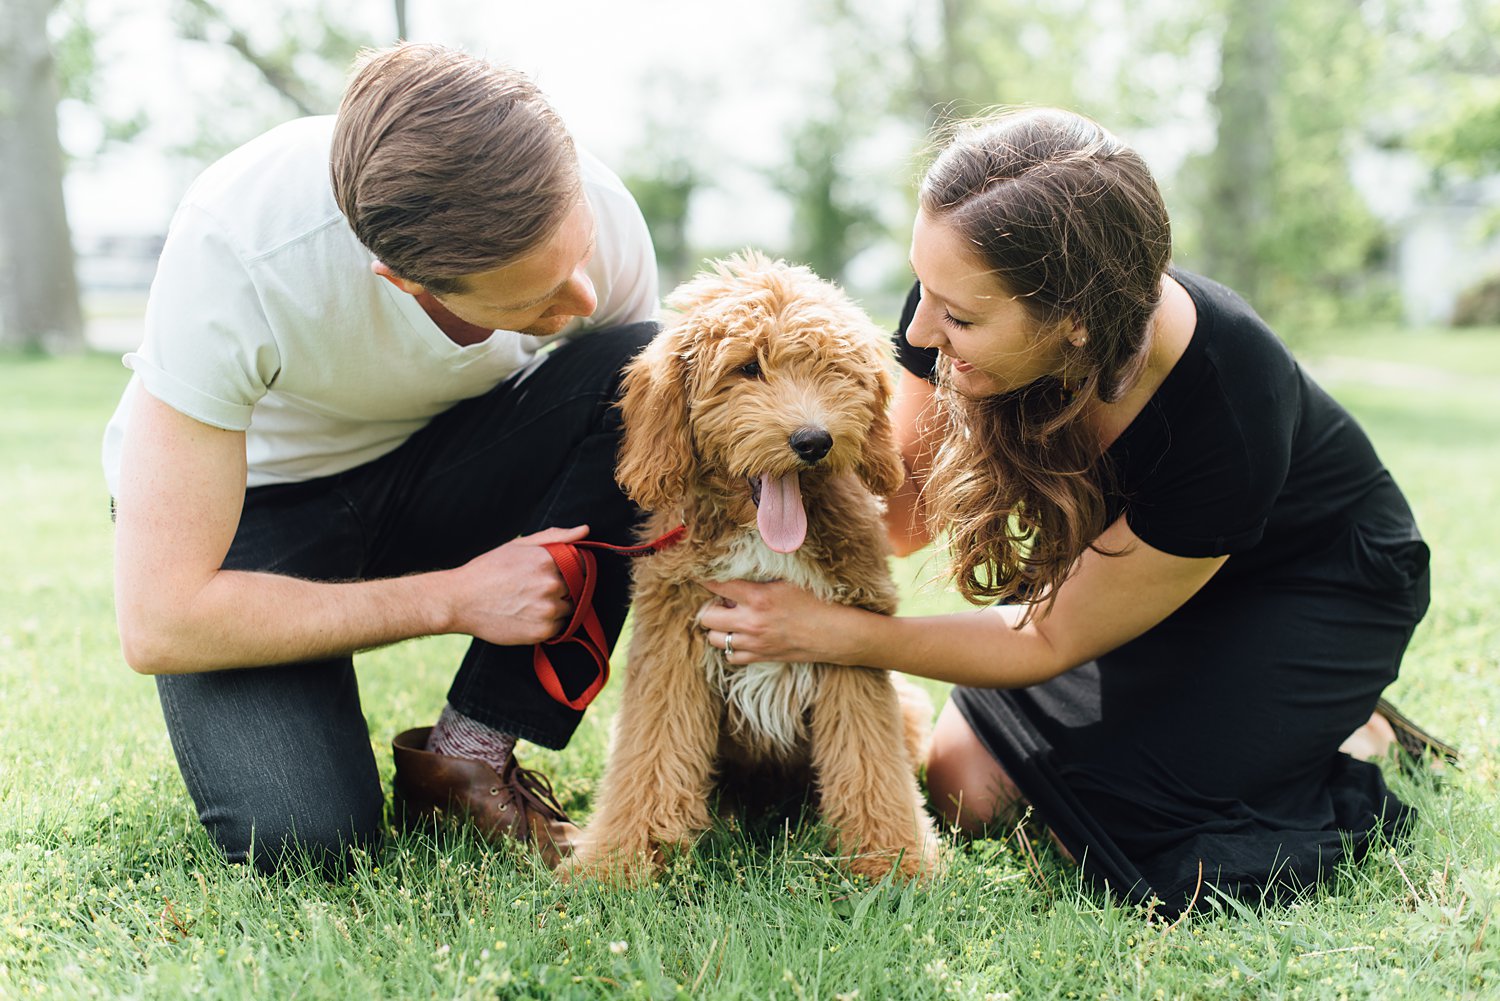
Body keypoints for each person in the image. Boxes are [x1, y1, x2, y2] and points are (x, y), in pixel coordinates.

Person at [695, 107, 1455, 912]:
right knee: (965, 789)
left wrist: (834, 632)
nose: (919, 331)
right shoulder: (959, 298)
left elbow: (1052, 634)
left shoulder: (1231, 401)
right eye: (923, 286)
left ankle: (1345, 729)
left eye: (957, 318)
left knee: (1111, 834)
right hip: (1133, 580)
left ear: (1076, 326)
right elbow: (900, 511)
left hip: (1309, 581)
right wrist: (743, 513)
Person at [103, 43, 659, 874]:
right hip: (257, 510)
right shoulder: (238, 248)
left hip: (442, 468)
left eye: (575, 263)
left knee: (646, 378)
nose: (580, 300)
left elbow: (641, 470)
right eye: (532, 302)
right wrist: (453, 598)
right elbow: (162, 618)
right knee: (303, 836)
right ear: (404, 283)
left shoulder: (593, 211)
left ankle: (469, 754)